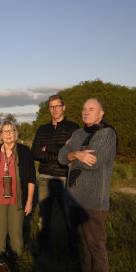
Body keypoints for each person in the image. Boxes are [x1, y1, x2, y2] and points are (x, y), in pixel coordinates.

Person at [58, 98, 117, 272]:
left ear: (101, 114)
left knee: (95, 245)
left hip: (93, 201)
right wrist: (77, 154)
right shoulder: (77, 133)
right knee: (81, 244)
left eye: (91, 109)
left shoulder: (107, 134)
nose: (86, 112)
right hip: (74, 198)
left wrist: (71, 156)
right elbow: (60, 157)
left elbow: (94, 162)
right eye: (84, 109)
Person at [0, 120, 36, 260]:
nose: (8, 133)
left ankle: (16, 257)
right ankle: (0, 256)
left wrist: (29, 201)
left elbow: (31, 178)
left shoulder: (24, 151)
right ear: (0, 134)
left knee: (16, 231)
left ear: (15, 133)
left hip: (17, 199)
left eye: (11, 130)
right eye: (5, 131)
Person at [31, 95, 79, 256]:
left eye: (57, 106)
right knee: (43, 220)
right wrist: (60, 153)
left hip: (65, 178)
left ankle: (74, 254)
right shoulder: (42, 129)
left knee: (69, 218)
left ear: (64, 107)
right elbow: (35, 153)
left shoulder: (73, 128)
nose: (54, 109)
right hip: (44, 177)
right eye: (51, 107)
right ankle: (45, 254)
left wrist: (49, 147)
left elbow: (72, 150)